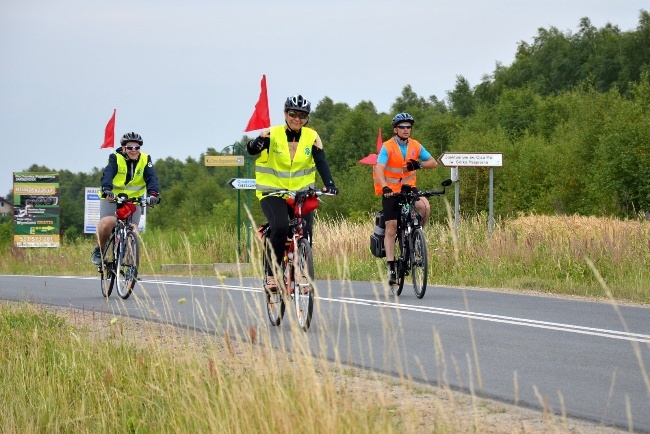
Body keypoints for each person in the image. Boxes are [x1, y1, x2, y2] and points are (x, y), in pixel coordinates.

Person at [247, 95, 338, 294]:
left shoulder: (312, 137)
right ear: (285, 114)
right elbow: (252, 150)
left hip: (301, 193)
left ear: (307, 118)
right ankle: (272, 274)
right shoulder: (272, 134)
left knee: (306, 230)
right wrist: (259, 141)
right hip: (273, 192)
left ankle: (300, 271)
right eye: (293, 114)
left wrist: (330, 184)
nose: (297, 118)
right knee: (280, 227)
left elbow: (321, 161)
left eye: (302, 115)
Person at [373, 113, 438, 286]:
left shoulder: (416, 145)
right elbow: (379, 167)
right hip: (391, 191)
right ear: (395, 129)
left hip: (409, 188)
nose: (406, 130)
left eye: (408, 127)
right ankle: (391, 267)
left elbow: (433, 162)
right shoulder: (388, 147)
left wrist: (419, 164)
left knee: (425, 206)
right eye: (402, 127)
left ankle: (417, 236)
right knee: (391, 228)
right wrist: (384, 186)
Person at [91, 132, 161, 265]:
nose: (134, 150)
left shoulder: (146, 159)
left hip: (133, 201)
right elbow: (108, 174)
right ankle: (99, 250)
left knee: (133, 229)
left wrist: (153, 194)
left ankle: (131, 266)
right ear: (123, 148)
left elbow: (152, 178)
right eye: (130, 147)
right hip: (112, 198)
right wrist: (107, 189)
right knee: (108, 221)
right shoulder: (115, 158)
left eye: (137, 147)